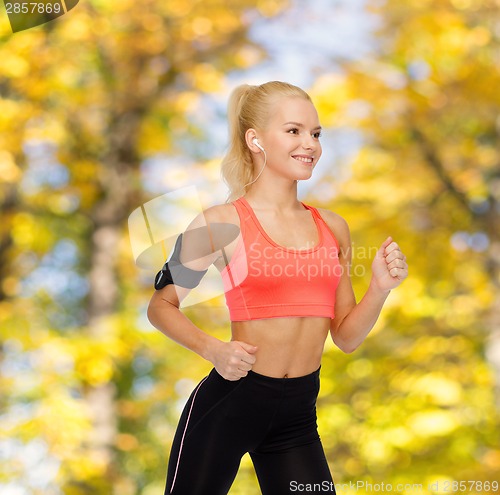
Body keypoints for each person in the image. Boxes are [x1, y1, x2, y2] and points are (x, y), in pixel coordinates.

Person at [147, 81, 408, 495]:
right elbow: (161, 306)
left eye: (316, 133)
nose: (311, 144)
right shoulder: (219, 223)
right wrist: (214, 350)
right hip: (229, 404)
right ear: (255, 140)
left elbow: (346, 336)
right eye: (294, 131)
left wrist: (380, 288)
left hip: (297, 419)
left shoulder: (332, 227)